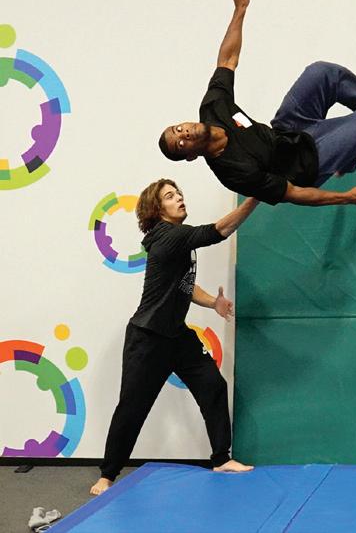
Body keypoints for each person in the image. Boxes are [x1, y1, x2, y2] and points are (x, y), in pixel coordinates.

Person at [159, 0, 356, 207]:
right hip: (307, 164)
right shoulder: (232, 171)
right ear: (191, 156)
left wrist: (240, 9)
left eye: (178, 129)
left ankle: (352, 151)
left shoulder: (213, 107)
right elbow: (294, 193)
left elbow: (227, 60)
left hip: (287, 130)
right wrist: (347, 197)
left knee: (321, 72)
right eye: (180, 143)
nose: (184, 133)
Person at [90, 179, 258, 495]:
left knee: (213, 385)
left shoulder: (177, 241)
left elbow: (183, 285)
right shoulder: (169, 236)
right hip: (148, 338)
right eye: (170, 196)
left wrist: (214, 303)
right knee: (132, 407)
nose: (179, 197)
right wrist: (255, 197)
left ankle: (221, 459)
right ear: (158, 209)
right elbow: (220, 230)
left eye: (178, 192)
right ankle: (106, 476)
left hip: (177, 336)